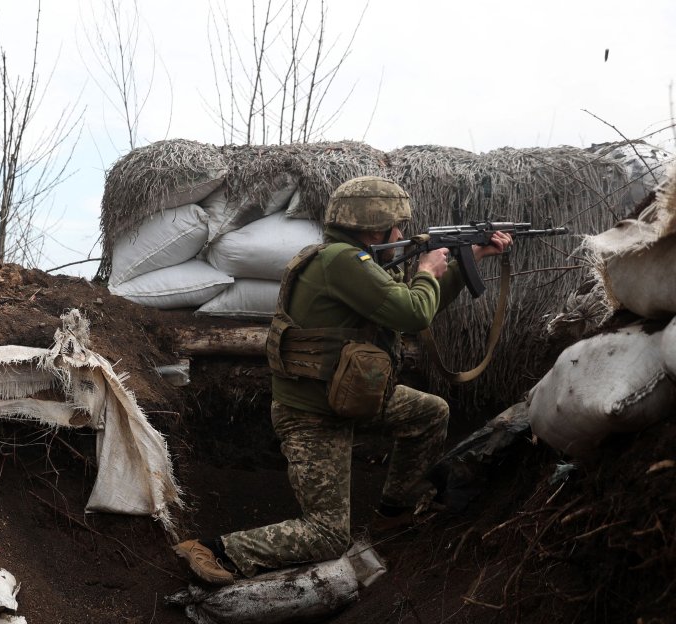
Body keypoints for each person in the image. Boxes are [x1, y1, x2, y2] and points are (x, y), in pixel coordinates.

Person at [173, 177, 512, 585]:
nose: (402, 234)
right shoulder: (343, 263)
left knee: (429, 413)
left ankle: (393, 513)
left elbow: (414, 306)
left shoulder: (356, 263)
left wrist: (467, 260)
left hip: (352, 396)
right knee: (329, 535)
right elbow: (412, 313)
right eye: (396, 226)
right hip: (313, 415)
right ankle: (216, 550)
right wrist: (426, 270)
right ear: (373, 227)